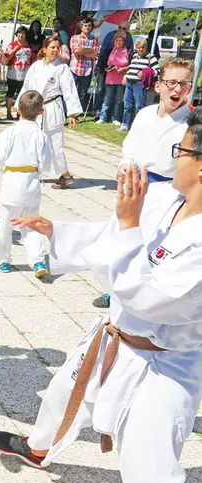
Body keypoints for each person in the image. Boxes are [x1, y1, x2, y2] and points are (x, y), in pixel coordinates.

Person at [0, 110, 202, 483]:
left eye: (182, 150)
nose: (174, 158)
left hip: (162, 366)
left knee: (151, 476)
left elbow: (146, 294)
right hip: (114, 339)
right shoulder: (165, 199)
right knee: (62, 391)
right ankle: (38, 447)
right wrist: (58, 232)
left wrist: (127, 226)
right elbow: (112, 232)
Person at [91, 58, 192, 310]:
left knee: (150, 240)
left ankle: (139, 292)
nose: (177, 90)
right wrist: (126, 163)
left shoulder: (191, 123)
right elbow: (131, 147)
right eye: (171, 83)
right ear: (158, 86)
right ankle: (112, 288)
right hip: (137, 185)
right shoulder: (145, 114)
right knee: (122, 234)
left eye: (183, 84)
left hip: (169, 191)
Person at [0, 91, 53, 276]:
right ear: (40, 112)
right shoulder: (41, 136)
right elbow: (47, 165)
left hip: (12, 181)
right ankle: (38, 261)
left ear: (18, 110)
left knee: (6, 224)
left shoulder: (10, 132)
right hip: (31, 182)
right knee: (32, 223)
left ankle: (3, 260)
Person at [20, 35, 82, 189]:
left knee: (55, 145)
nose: (55, 50)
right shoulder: (36, 66)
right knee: (31, 141)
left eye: (57, 48)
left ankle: (65, 175)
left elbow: (70, 91)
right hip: (34, 108)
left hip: (53, 107)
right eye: (52, 47)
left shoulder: (62, 68)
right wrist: (21, 106)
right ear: (44, 49)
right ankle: (31, 172)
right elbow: (27, 86)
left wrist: (72, 113)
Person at [122, 38, 159, 132]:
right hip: (129, 83)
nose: (141, 49)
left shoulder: (151, 57)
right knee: (127, 105)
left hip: (139, 84)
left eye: (142, 47)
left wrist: (146, 72)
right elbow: (131, 67)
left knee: (139, 106)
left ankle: (138, 126)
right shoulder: (135, 56)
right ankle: (125, 124)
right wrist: (126, 76)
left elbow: (158, 71)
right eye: (139, 48)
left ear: (146, 48)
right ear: (136, 48)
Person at [98, 32, 130, 125]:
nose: (118, 42)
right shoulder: (112, 50)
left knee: (119, 100)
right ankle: (103, 117)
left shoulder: (126, 51)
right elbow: (108, 62)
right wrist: (109, 67)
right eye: (116, 41)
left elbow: (129, 65)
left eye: (120, 41)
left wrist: (122, 68)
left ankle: (115, 118)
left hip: (121, 78)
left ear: (124, 42)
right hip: (110, 77)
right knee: (107, 99)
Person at [2, 26, 34, 121]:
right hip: (13, 73)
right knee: (10, 93)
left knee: (22, 94)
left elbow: (32, 58)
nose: (21, 35)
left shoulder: (29, 46)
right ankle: (8, 112)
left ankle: (20, 113)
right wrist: (15, 49)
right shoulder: (12, 44)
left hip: (25, 74)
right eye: (19, 33)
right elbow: (7, 57)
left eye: (23, 33)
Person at [69, 18, 99, 112]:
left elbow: (95, 54)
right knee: (71, 92)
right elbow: (75, 51)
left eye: (89, 25)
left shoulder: (94, 39)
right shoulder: (75, 38)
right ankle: (69, 111)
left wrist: (82, 50)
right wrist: (90, 49)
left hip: (88, 70)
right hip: (75, 69)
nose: (87, 27)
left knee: (82, 93)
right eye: (85, 25)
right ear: (81, 27)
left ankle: (78, 112)